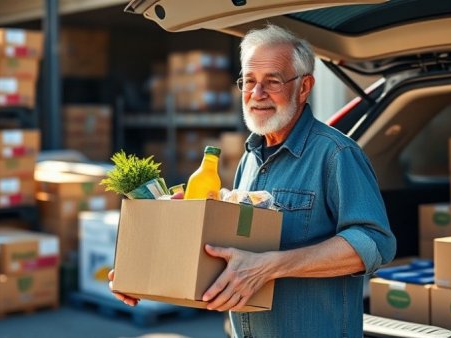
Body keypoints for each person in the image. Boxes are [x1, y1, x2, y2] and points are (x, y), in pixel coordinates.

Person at [109, 24, 396, 337]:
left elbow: (375, 243)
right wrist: (143, 271)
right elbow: (233, 253)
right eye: (249, 82)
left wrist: (269, 266)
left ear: (303, 87)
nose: (257, 95)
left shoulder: (336, 154)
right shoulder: (250, 159)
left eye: (271, 81)